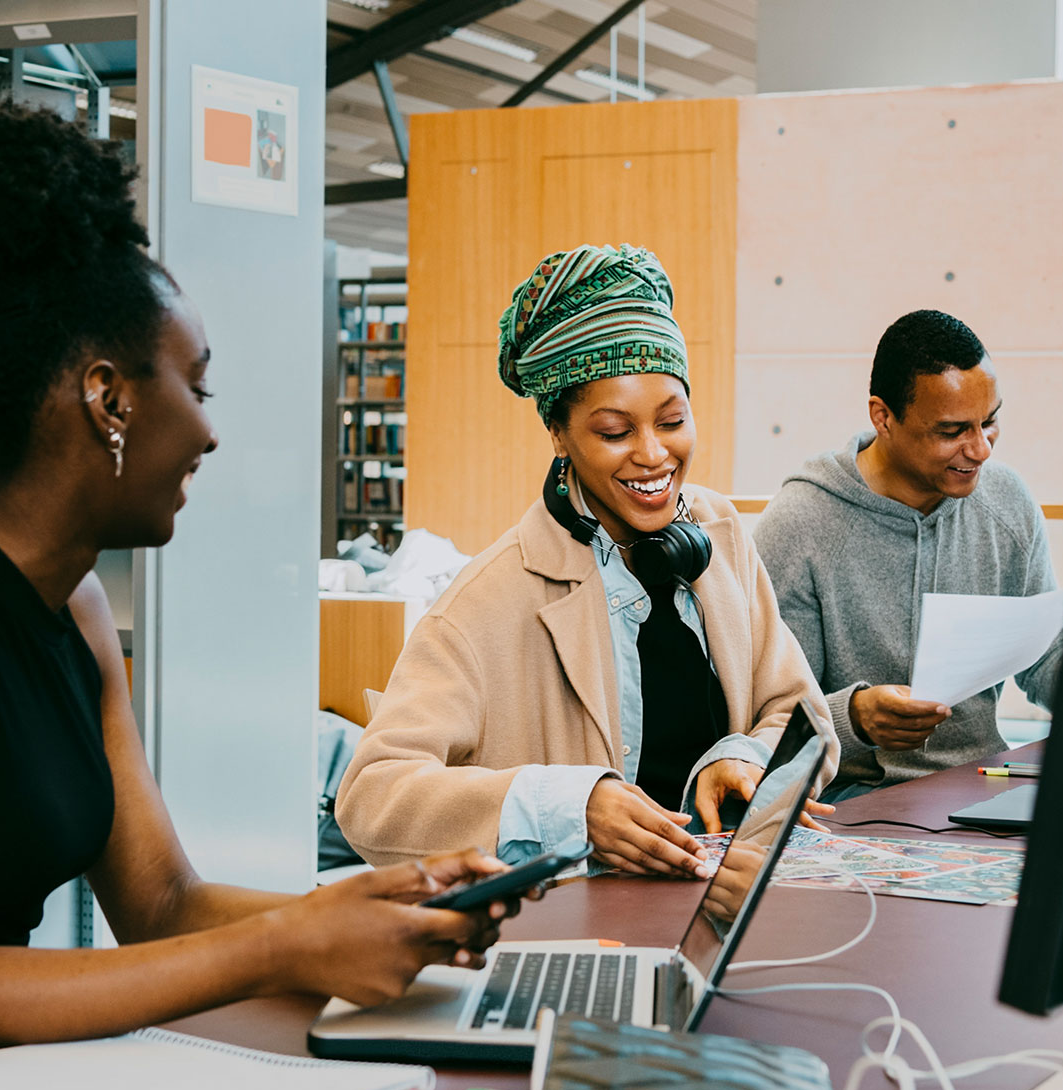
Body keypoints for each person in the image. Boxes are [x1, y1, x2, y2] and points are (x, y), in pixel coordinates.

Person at [0, 103, 516, 1090]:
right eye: (195, 384)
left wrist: (375, 907)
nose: (209, 434)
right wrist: (283, 942)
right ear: (108, 397)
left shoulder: (77, 607)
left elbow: (161, 904)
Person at [336, 244, 830, 875]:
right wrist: (570, 808)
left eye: (673, 421)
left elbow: (800, 711)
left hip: (718, 900)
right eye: (616, 432)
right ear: (559, 435)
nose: (654, 455)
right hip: (575, 930)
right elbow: (371, 798)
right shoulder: (487, 599)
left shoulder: (720, 533)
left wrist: (745, 756)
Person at [754, 310, 1061, 798]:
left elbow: (1045, 654)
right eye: (951, 430)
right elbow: (770, 720)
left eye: (990, 421)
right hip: (858, 798)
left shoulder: (1007, 501)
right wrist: (854, 719)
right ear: (883, 417)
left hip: (984, 783)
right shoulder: (800, 526)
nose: (981, 449)